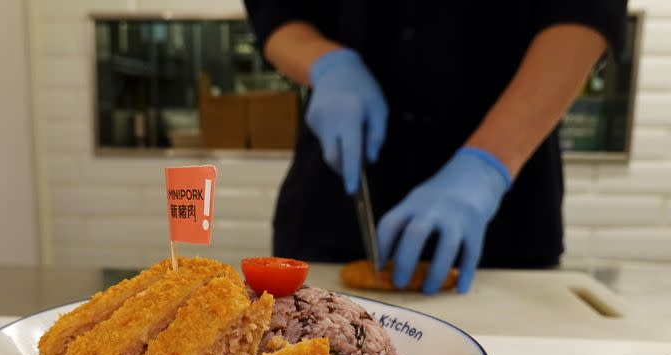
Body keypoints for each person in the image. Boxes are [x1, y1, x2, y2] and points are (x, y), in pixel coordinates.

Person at [243, 2, 627, 293]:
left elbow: (586, 12)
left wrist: (487, 165)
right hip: (334, 204)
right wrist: (324, 62)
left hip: (503, 224)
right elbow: (276, 12)